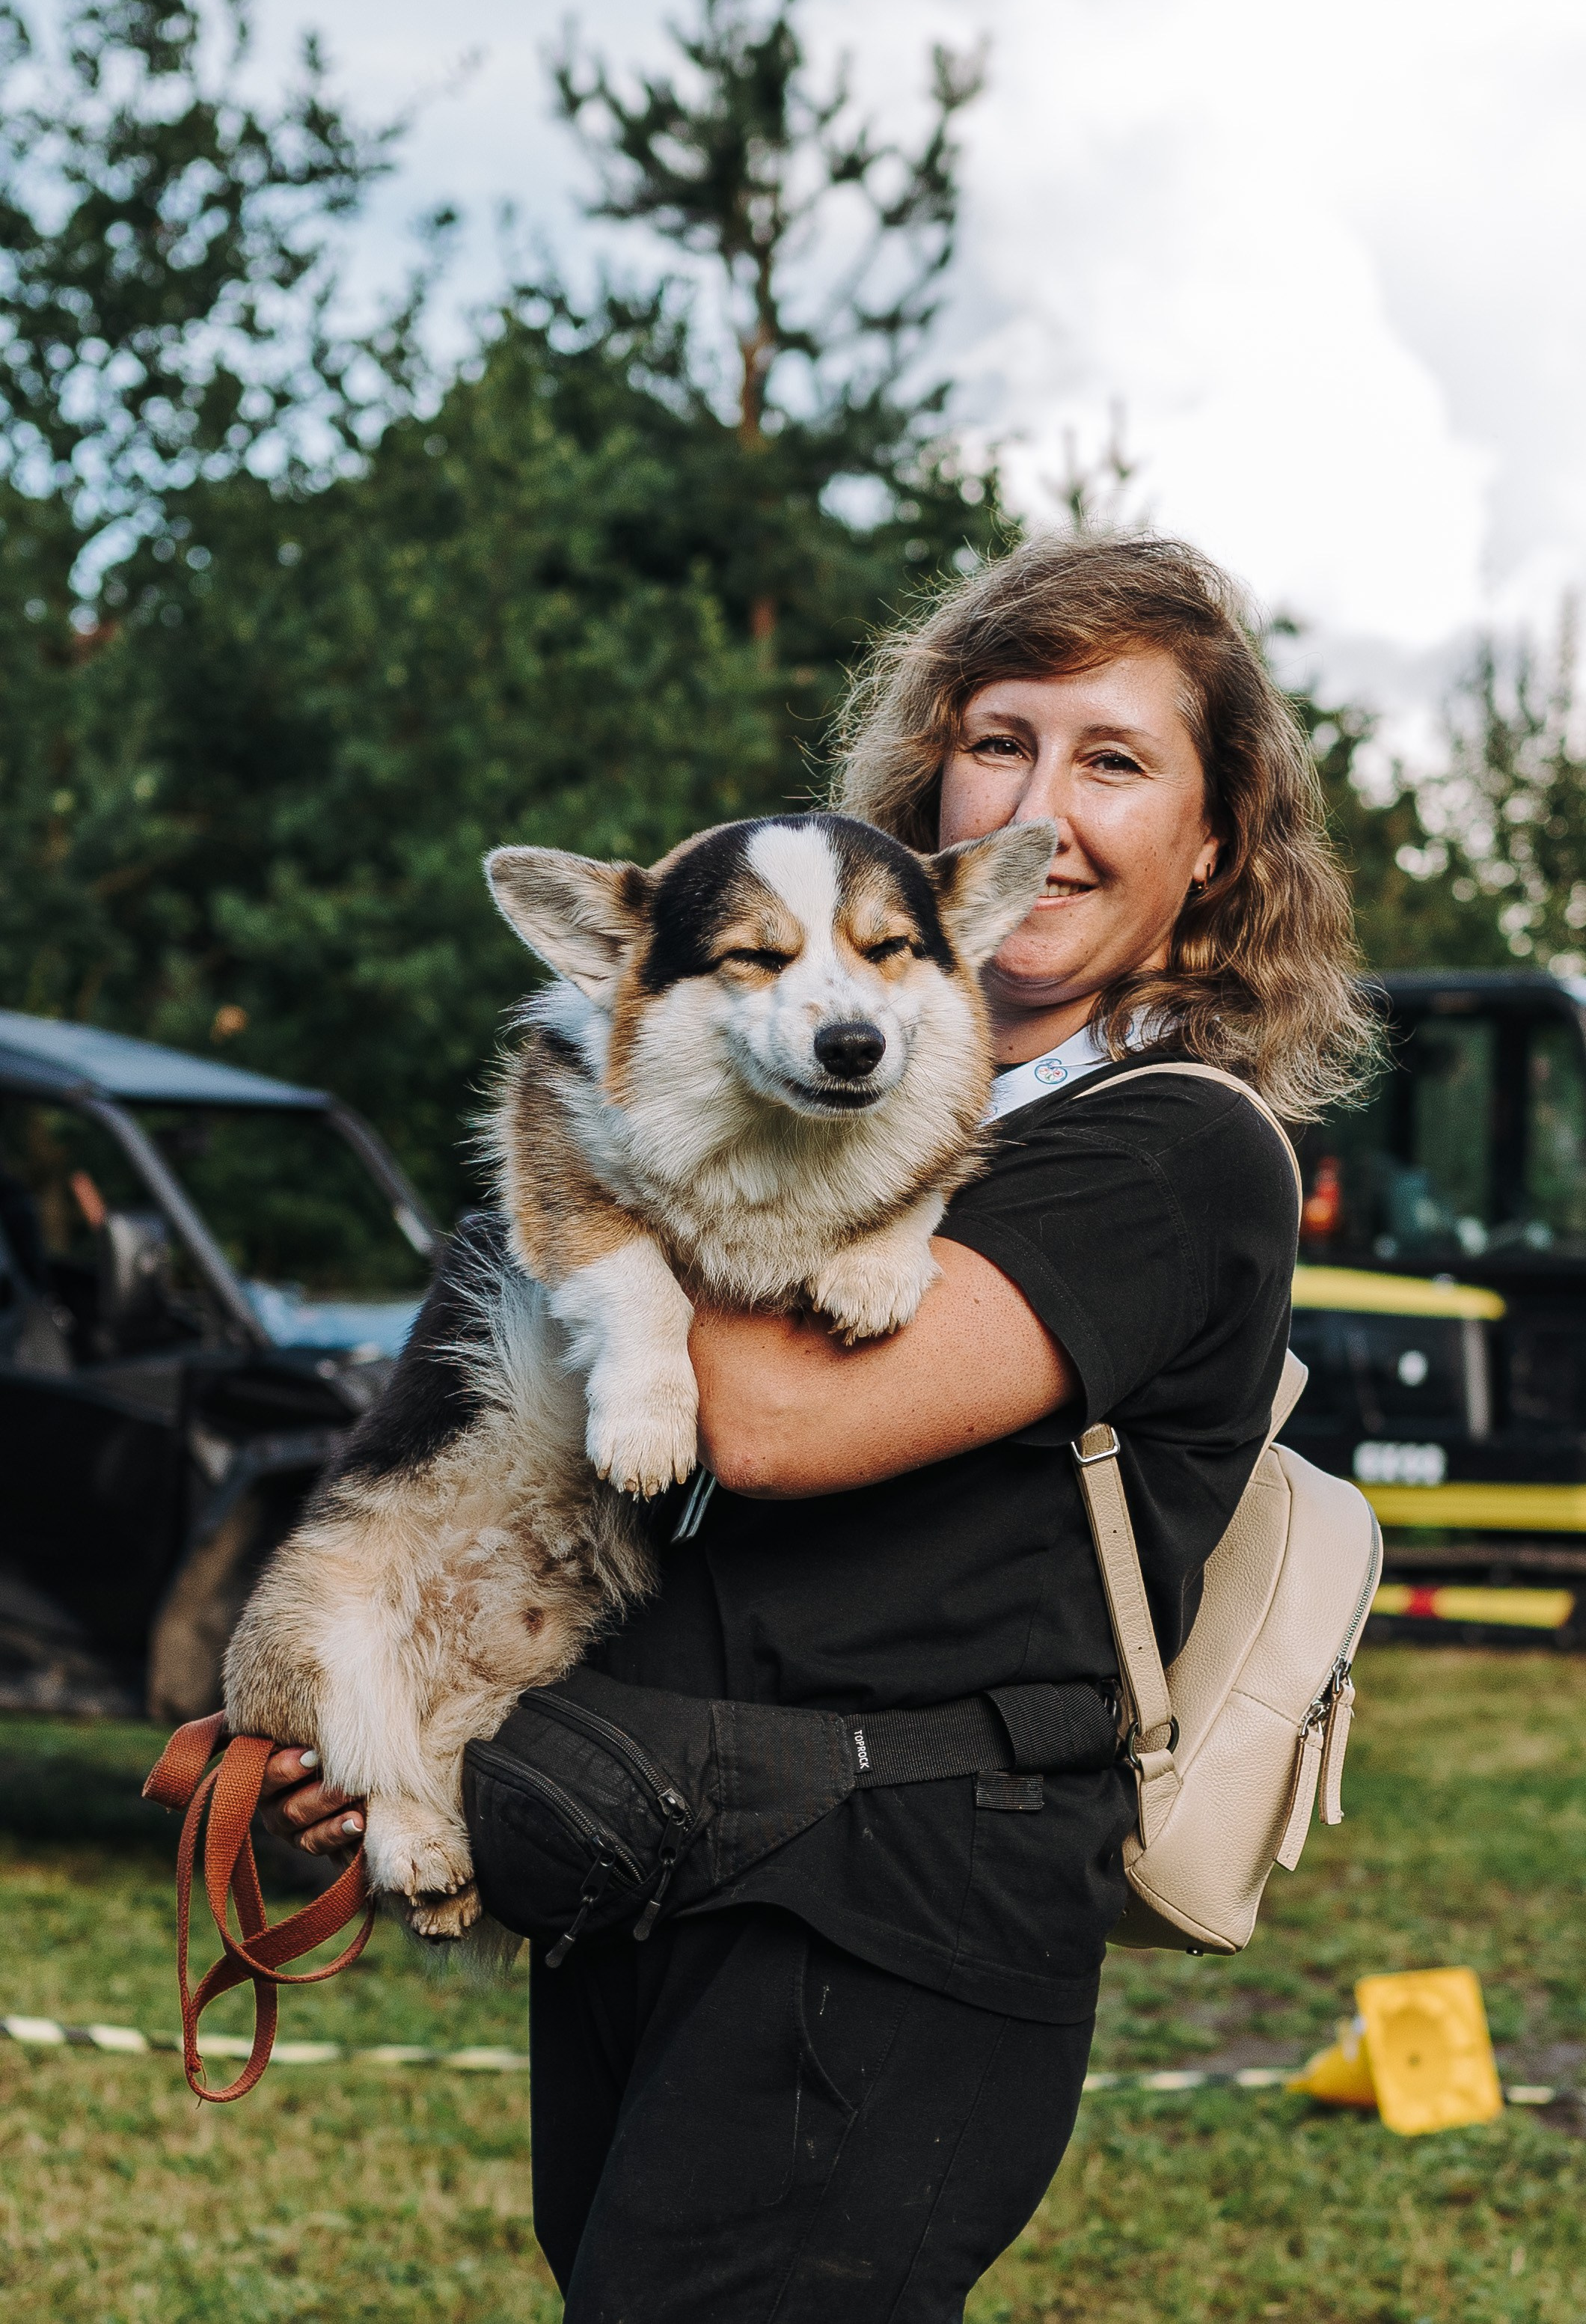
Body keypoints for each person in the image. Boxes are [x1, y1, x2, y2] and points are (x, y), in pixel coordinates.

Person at [260, 533, 1375, 2321]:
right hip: (657, 1858)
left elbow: (765, 1420)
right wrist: (365, 1661)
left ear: (1214, 842)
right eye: (1003, 739)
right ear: (936, 787)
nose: (1048, 802)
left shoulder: (1173, 1151)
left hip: (891, 1914)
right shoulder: (838, 1106)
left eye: (1115, 759)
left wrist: (602, 1152)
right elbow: (494, 1377)